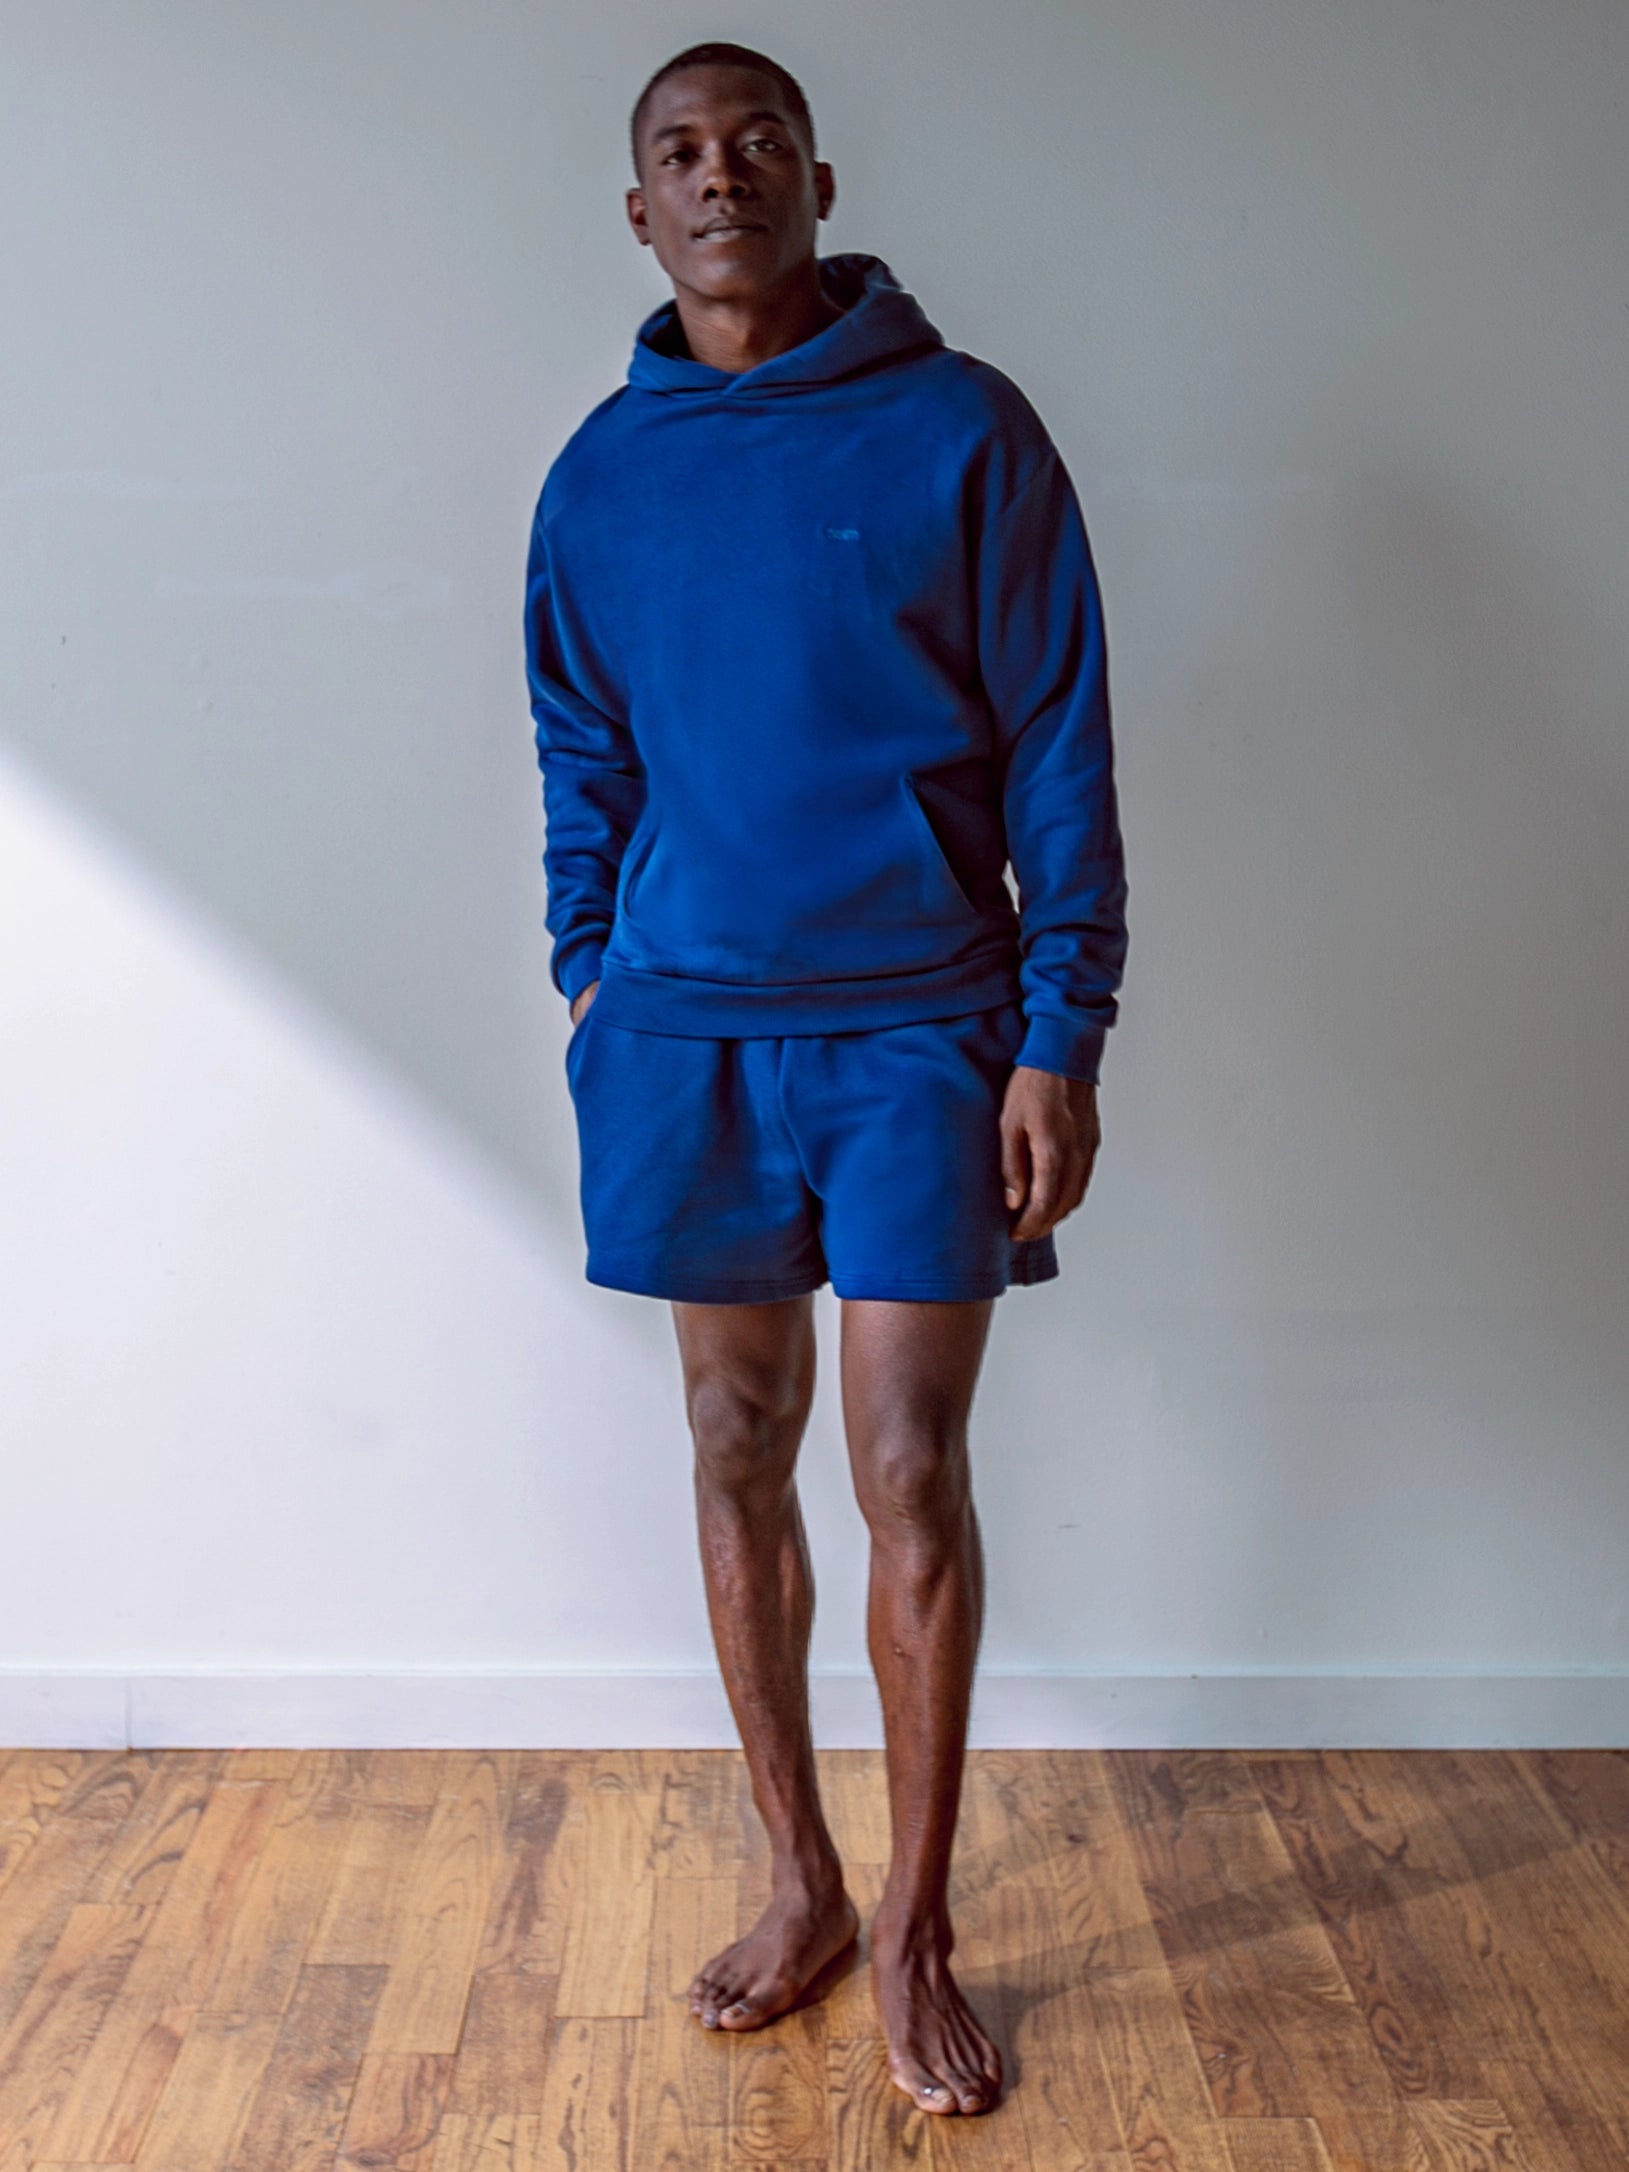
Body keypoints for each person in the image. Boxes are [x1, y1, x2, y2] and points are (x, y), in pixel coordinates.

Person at [524, 40, 1128, 2119]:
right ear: (637, 209)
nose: (720, 178)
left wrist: (1059, 1029)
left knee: (900, 1474)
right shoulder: (599, 474)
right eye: (678, 154)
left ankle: (920, 1924)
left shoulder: (963, 428)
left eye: (755, 143)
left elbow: (1058, 745)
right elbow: (579, 755)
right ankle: (799, 1884)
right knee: (724, 1437)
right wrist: (590, 971)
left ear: (815, 178)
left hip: (919, 1029)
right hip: (683, 1031)